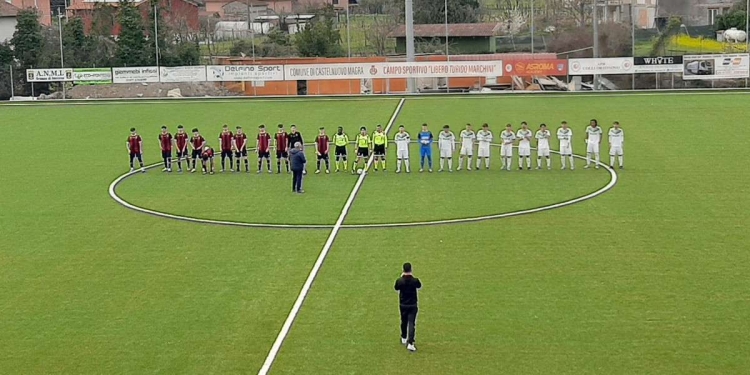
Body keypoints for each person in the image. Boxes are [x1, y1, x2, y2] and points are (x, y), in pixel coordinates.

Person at [394, 262, 421, 352]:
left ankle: (404, 337)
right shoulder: (415, 281)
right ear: (411, 270)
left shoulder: (400, 281)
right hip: (412, 304)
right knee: (411, 323)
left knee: (404, 321)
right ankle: (410, 343)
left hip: (403, 304)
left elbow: (396, 288)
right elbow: (419, 286)